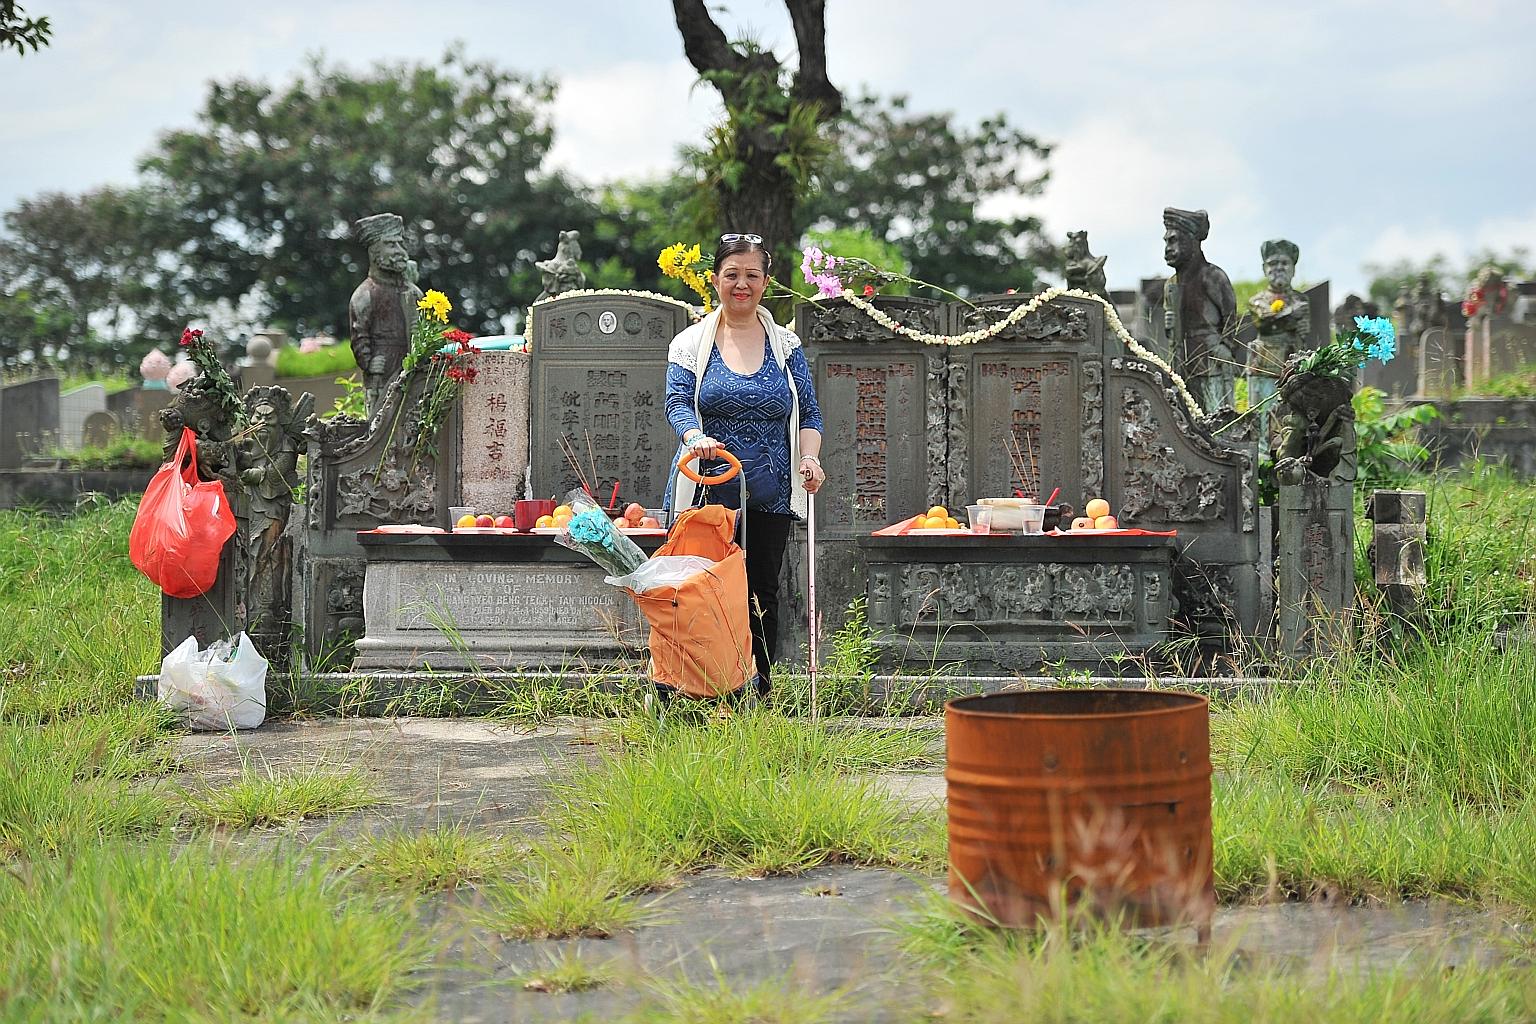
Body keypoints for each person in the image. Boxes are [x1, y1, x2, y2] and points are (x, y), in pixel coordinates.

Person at [664, 232, 826, 699]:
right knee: (702, 591)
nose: (741, 284)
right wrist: (696, 438)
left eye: (751, 276)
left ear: (765, 282)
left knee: (761, 594)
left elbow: (809, 414)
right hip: (708, 487)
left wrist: (810, 457)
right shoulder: (690, 343)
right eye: (731, 275)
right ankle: (697, 692)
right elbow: (676, 402)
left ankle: (759, 693)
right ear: (715, 280)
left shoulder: (786, 345)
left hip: (771, 489)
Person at [1246, 239, 1310, 452]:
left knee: (1289, 420)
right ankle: (1262, 460)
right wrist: (1291, 315)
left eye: (1284, 263)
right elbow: (1264, 322)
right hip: (1264, 366)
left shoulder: (1301, 299)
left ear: (1293, 269)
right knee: (1262, 418)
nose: (1279, 268)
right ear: (1265, 269)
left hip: (1291, 367)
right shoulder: (1258, 300)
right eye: (1273, 263)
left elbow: (1303, 332)